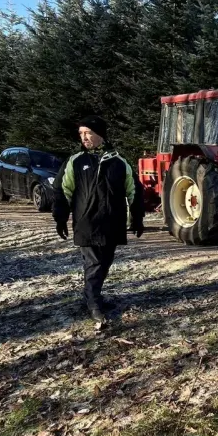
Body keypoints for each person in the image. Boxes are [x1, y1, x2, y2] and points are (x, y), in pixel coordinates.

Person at [53, 115, 144, 327]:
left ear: (100, 135)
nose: (84, 137)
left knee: (105, 261)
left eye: (88, 133)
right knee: (93, 263)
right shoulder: (76, 161)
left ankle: (93, 295)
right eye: (81, 134)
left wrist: (137, 218)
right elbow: (62, 190)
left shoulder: (119, 163)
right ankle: (93, 304)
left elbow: (134, 191)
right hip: (87, 222)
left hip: (112, 221)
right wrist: (60, 217)